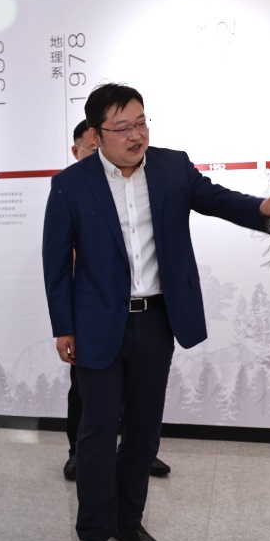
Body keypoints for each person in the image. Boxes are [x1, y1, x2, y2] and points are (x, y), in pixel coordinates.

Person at [43, 84, 270, 541]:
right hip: (98, 324)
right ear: (96, 135)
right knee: (97, 434)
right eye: (122, 127)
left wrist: (263, 208)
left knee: (144, 431)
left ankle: (129, 521)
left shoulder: (171, 167)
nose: (136, 135)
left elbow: (216, 199)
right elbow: (56, 263)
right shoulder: (71, 185)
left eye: (141, 122)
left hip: (155, 320)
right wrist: (64, 327)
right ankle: (93, 535)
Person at [62, 121, 170, 481]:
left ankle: (135, 453)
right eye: (92, 150)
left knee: (137, 396)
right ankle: (78, 453)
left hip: (138, 313)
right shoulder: (73, 190)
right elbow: (63, 262)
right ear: (78, 150)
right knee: (86, 394)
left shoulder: (133, 186)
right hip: (93, 314)